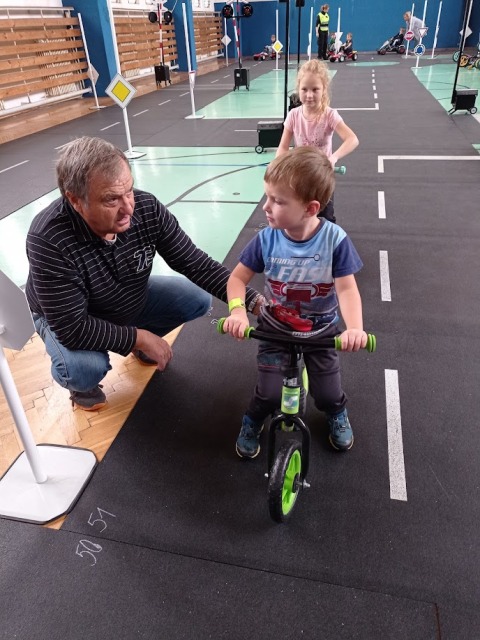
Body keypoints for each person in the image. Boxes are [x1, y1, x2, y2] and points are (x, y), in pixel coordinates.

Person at [25, 136, 263, 411]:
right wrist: (139, 337)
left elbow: (195, 263)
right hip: (71, 316)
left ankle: (137, 345)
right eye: (111, 199)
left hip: (125, 294)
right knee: (83, 368)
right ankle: (81, 386)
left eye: (129, 191)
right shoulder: (48, 238)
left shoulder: (147, 208)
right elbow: (73, 328)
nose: (128, 208)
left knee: (196, 299)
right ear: (75, 200)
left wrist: (254, 302)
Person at [222, 146, 367, 458]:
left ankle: (336, 412)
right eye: (267, 197)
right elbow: (236, 280)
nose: (266, 206)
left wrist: (354, 328)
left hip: (321, 332)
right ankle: (252, 420)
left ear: (310, 208)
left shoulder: (335, 240)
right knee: (268, 395)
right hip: (275, 329)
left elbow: (346, 290)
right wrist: (238, 312)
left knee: (327, 394)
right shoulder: (266, 239)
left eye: (277, 201)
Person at [275, 59, 359, 223]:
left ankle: (328, 237)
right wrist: (278, 169)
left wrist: (333, 158)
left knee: (325, 217)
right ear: (298, 89)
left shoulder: (329, 115)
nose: (309, 95)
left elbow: (352, 139)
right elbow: (283, 148)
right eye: (304, 89)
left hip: (322, 177)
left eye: (315, 89)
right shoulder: (293, 116)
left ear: (324, 89)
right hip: (301, 177)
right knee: (301, 215)